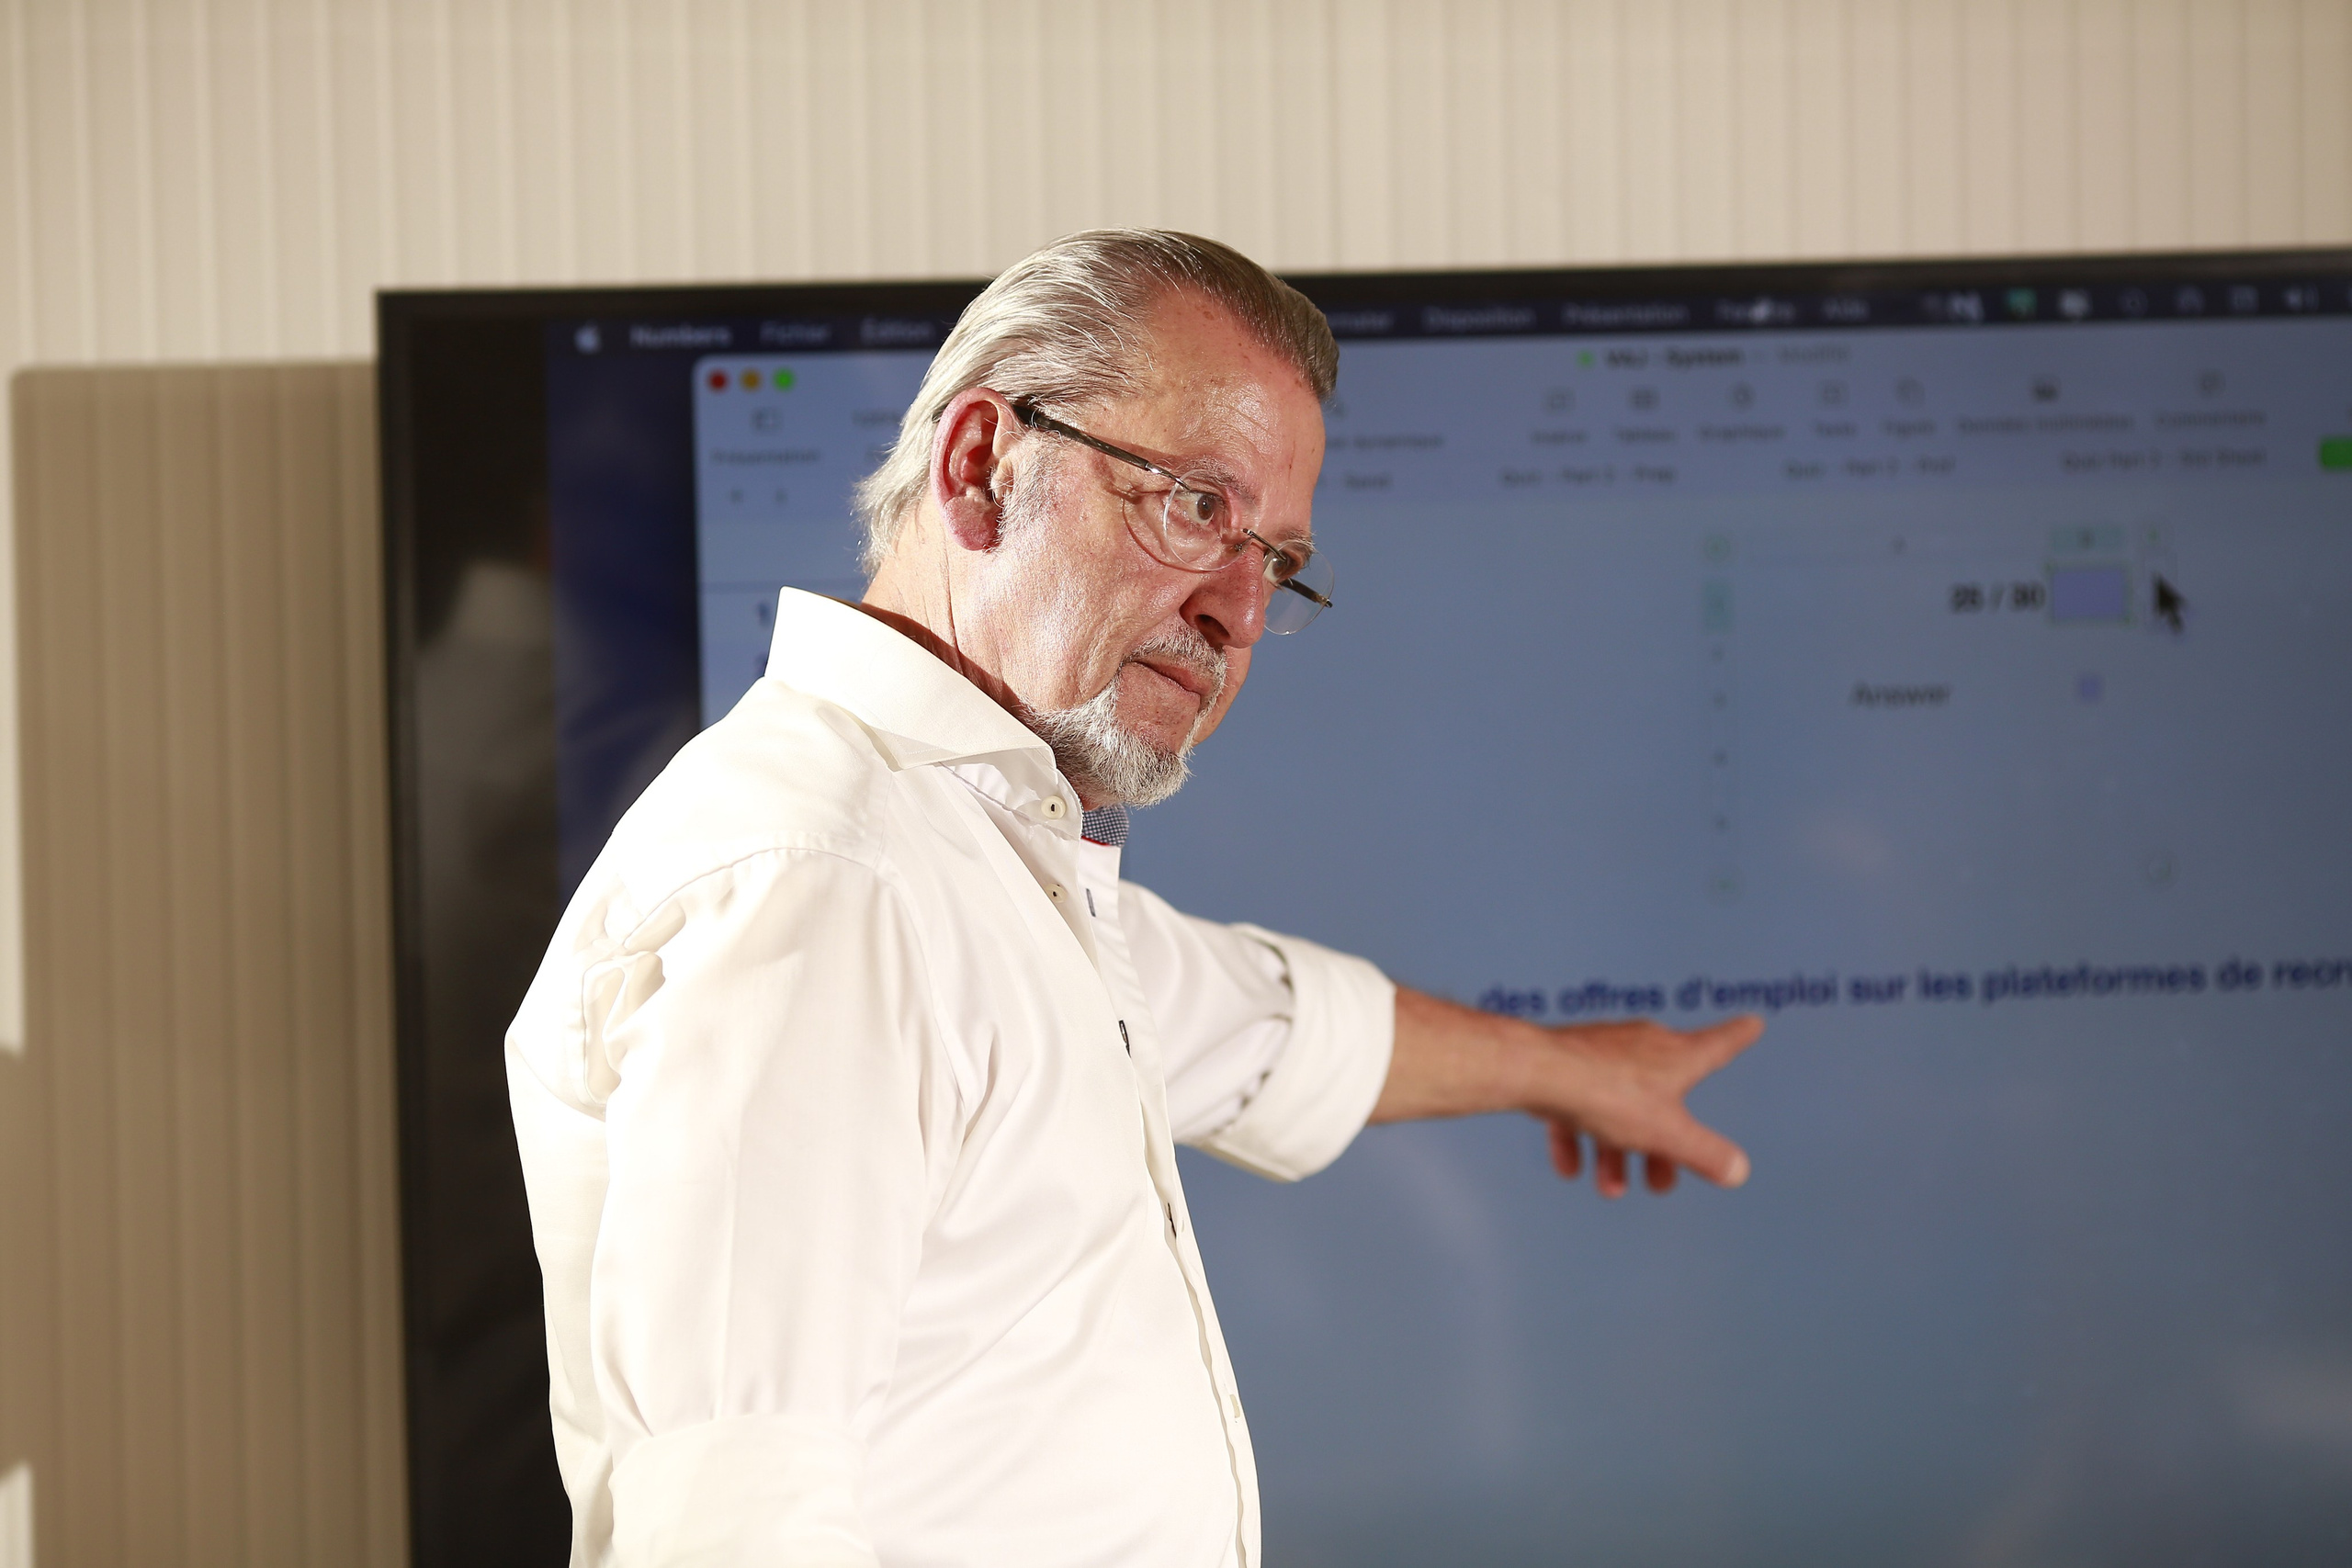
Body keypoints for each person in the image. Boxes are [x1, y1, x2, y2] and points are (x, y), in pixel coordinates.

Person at [506, 230, 1761, 1568]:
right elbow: (734, 1514)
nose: (1236, 609)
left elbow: (1266, 1025)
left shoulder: (973, 854)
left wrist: (1568, 1071)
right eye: (1197, 506)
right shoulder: (828, 882)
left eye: (1275, 559)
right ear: (981, 465)